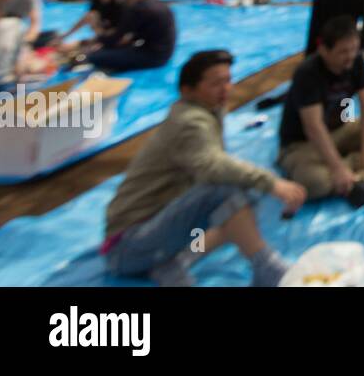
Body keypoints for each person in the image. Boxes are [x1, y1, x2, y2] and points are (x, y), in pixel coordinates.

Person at [103, 50, 306, 286]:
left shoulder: (208, 112)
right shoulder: (190, 122)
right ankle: (267, 268)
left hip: (158, 231)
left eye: (228, 80)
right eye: (215, 84)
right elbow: (213, 166)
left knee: (242, 199)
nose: (226, 89)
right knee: (225, 192)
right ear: (188, 90)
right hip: (128, 247)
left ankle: (173, 260)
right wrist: (272, 183)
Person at [277, 16, 364, 201]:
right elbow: (313, 127)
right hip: (304, 144)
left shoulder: (356, 61)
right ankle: (361, 172)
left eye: (354, 49)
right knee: (315, 183)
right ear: (323, 50)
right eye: (343, 51)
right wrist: (337, 168)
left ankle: (355, 173)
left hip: (341, 127)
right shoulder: (307, 73)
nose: (350, 56)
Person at [86, 0, 177, 72]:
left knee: (94, 56)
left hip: (154, 57)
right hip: (161, 52)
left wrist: (93, 37)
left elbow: (116, 38)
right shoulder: (150, 2)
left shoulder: (139, 9)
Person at [53, 0, 122, 48]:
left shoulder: (120, 6)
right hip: (103, 38)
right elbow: (85, 18)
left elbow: (118, 34)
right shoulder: (98, 1)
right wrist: (64, 37)